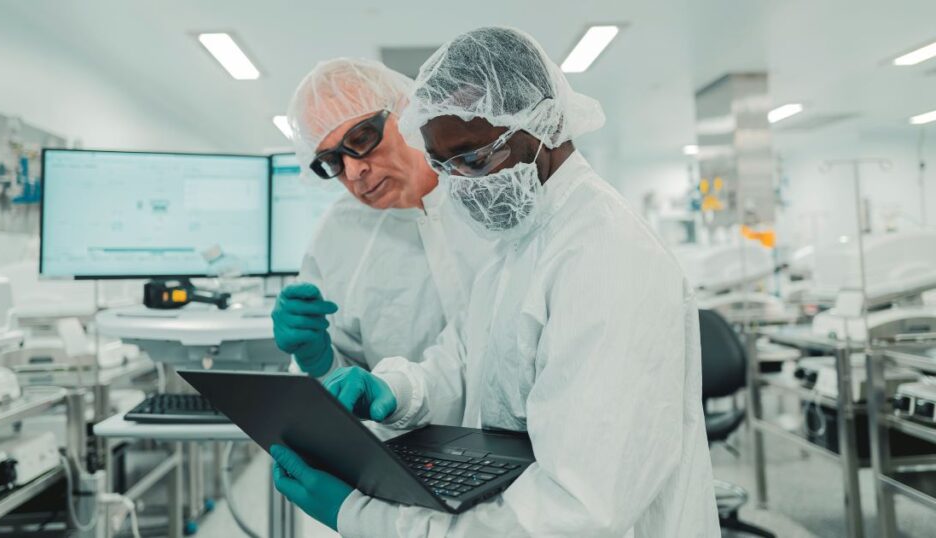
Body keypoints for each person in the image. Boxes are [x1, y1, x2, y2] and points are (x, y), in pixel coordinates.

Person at [270, 27, 720, 536]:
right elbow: (466, 360)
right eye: (444, 166)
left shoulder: (606, 257)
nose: (459, 187)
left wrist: (360, 516)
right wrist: (395, 389)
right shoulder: (520, 237)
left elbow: (575, 512)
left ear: (544, 123)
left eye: (475, 159)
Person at [271, 58, 492, 385]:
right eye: (332, 161)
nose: (352, 172)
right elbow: (346, 383)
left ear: (405, 112)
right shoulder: (338, 235)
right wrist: (318, 360)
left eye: (361, 139)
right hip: (401, 433)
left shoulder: (491, 194)